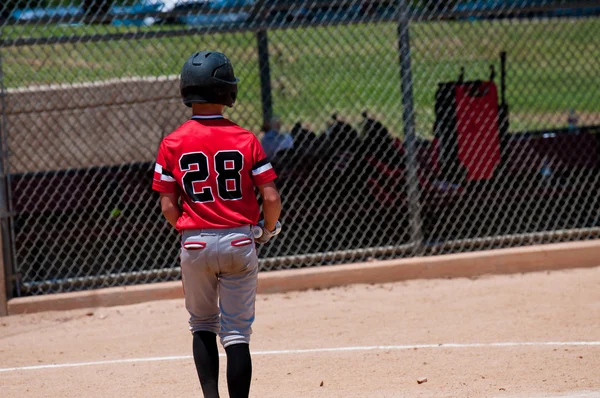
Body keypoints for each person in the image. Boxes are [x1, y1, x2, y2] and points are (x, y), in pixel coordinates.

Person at [152, 50, 282, 398]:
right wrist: (267, 231)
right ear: (227, 91)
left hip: (194, 242)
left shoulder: (172, 143)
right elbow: (270, 198)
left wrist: (188, 229)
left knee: (202, 325)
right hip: (240, 241)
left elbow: (167, 204)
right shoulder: (245, 139)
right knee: (237, 332)